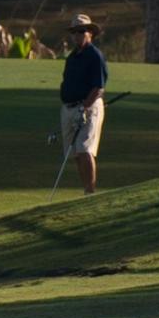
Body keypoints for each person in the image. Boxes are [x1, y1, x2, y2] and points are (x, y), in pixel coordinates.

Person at [55, 14, 109, 191]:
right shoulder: (72, 57)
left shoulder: (95, 56)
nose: (77, 35)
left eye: (81, 31)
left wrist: (84, 107)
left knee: (85, 150)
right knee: (76, 154)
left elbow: (98, 87)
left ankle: (90, 191)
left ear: (90, 33)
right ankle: (86, 188)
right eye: (74, 32)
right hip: (69, 108)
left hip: (88, 107)